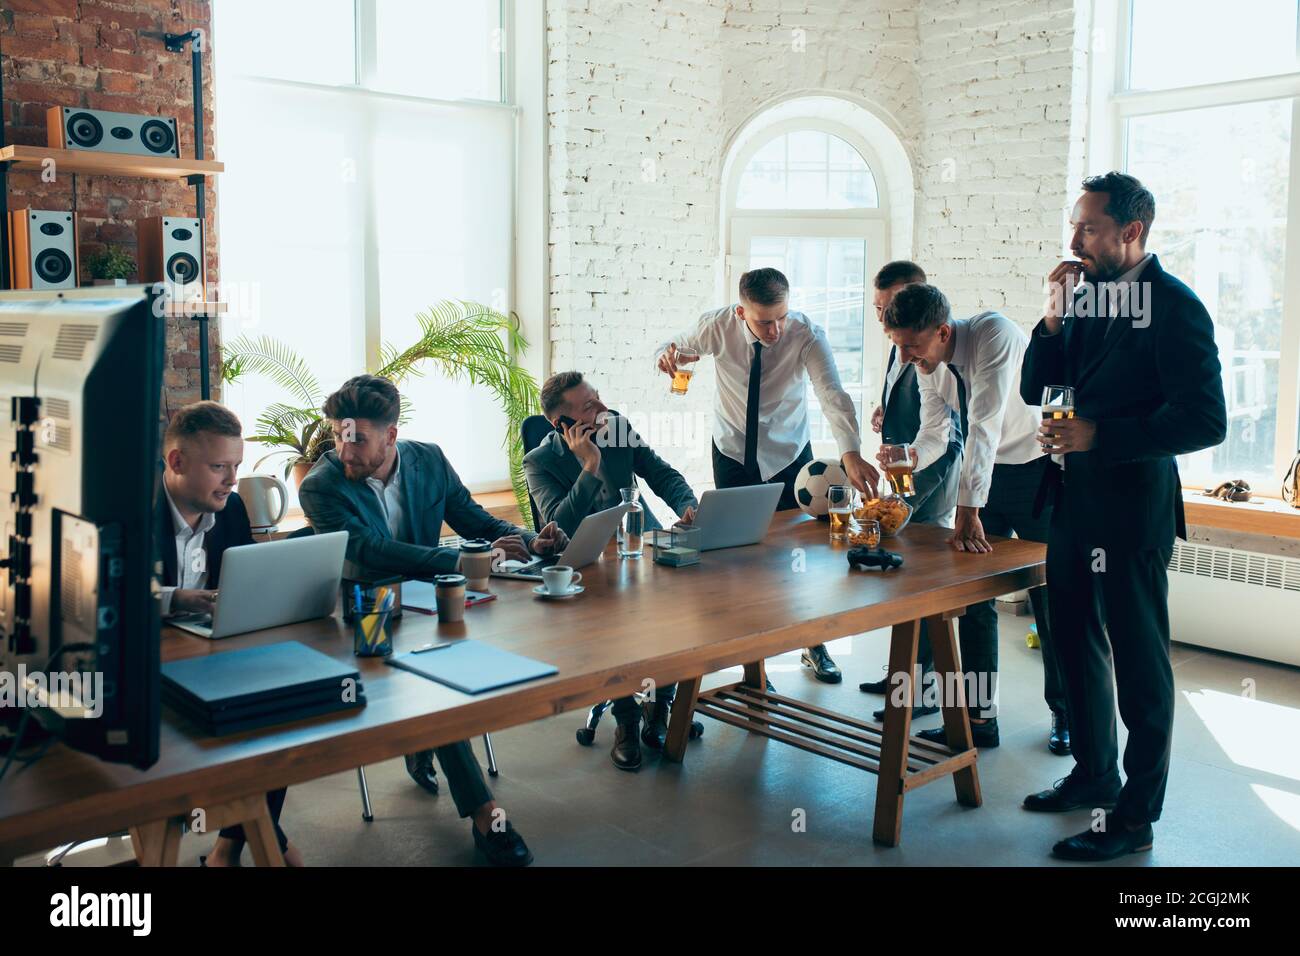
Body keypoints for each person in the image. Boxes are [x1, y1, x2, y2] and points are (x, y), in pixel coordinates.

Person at [1020, 172, 1225, 861]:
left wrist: (1102, 434)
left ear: (1131, 231)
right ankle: (1094, 773)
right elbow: (1033, 388)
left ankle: (1135, 816)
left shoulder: (1176, 307)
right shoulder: (1081, 301)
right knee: (1073, 644)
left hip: (1133, 510)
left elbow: (1205, 419)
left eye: (1088, 227)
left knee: (1139, 666)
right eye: (1075, 225)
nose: (1074, 240)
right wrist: (1051, 319)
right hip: (1071, 505)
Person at [299, 374, 570, 867]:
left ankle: (423, 739)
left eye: (359, 438)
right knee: (436, 688)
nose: (346, 448)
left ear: (391, 435)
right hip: (367, 615)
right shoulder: (321, 485)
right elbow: (367, 550)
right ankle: (487, 816)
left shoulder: (428, 460)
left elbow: (475, 520)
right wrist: (464, 561)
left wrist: (528, 540)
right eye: (340, 435)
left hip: (435, 608)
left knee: (490, 651)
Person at [655, 267, 880, 685]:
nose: (776, 329)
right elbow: (674, 346)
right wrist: (665, 356)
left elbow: (832, 394)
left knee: (799, 559)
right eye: (764, 321)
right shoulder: (716, 326)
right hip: (732, 451)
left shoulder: (806, 334)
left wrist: (850, 453)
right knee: (740, 559)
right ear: (741, 312)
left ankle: (813, 645)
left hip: (791, 456)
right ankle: (753, 665)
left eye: (781, 316)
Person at [882, 282, 1063, 752]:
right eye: (898, 346)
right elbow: (936, 431)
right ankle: (979, 719)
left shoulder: (994, 335)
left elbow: (985, 423)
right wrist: (909, 455)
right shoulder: (928, 361)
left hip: (1038, 472)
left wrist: (968, 508)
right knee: (977, 602)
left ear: (943, 331)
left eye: (912, 346)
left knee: (1054, 599)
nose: (905, 358)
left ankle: (1067, 716)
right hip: (985, 482)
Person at [525, 370, 698, 771]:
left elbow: (662, 474)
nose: (603, 409)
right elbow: (559, 524)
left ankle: (661, 706)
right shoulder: (540, 462)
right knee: (608, 623)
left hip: (641, 547)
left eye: (599, 398)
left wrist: (687, 504)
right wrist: (589, 466)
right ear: (562, 424)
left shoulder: (617, 427)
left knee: (682, 603)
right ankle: (626, 719)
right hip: (589, 564)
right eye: (589, 406)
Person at [156, 401, 304, 867]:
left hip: (208, 654)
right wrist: (174, 598)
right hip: (143, 660)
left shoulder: (232, 508)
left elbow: (242, 582)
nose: (232, 480)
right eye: (219, 466)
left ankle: (227, 849)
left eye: (236, 466)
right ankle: (264, 841)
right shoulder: (127, 509)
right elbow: (100, 591)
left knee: (279, 713)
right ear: (176, 462)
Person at [857, 262, 963, 721]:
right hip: (904, 465)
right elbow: (903, 389)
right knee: (904, 575)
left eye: (890, 307)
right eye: (879, 309)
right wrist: (885, 410)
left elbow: (945, 427)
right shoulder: (901, 337)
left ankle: (923, 690)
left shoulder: (937, 343)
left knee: (926, 581)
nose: (884, 318)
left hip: (931, 473)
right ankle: (903, 674)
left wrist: (913, 483)